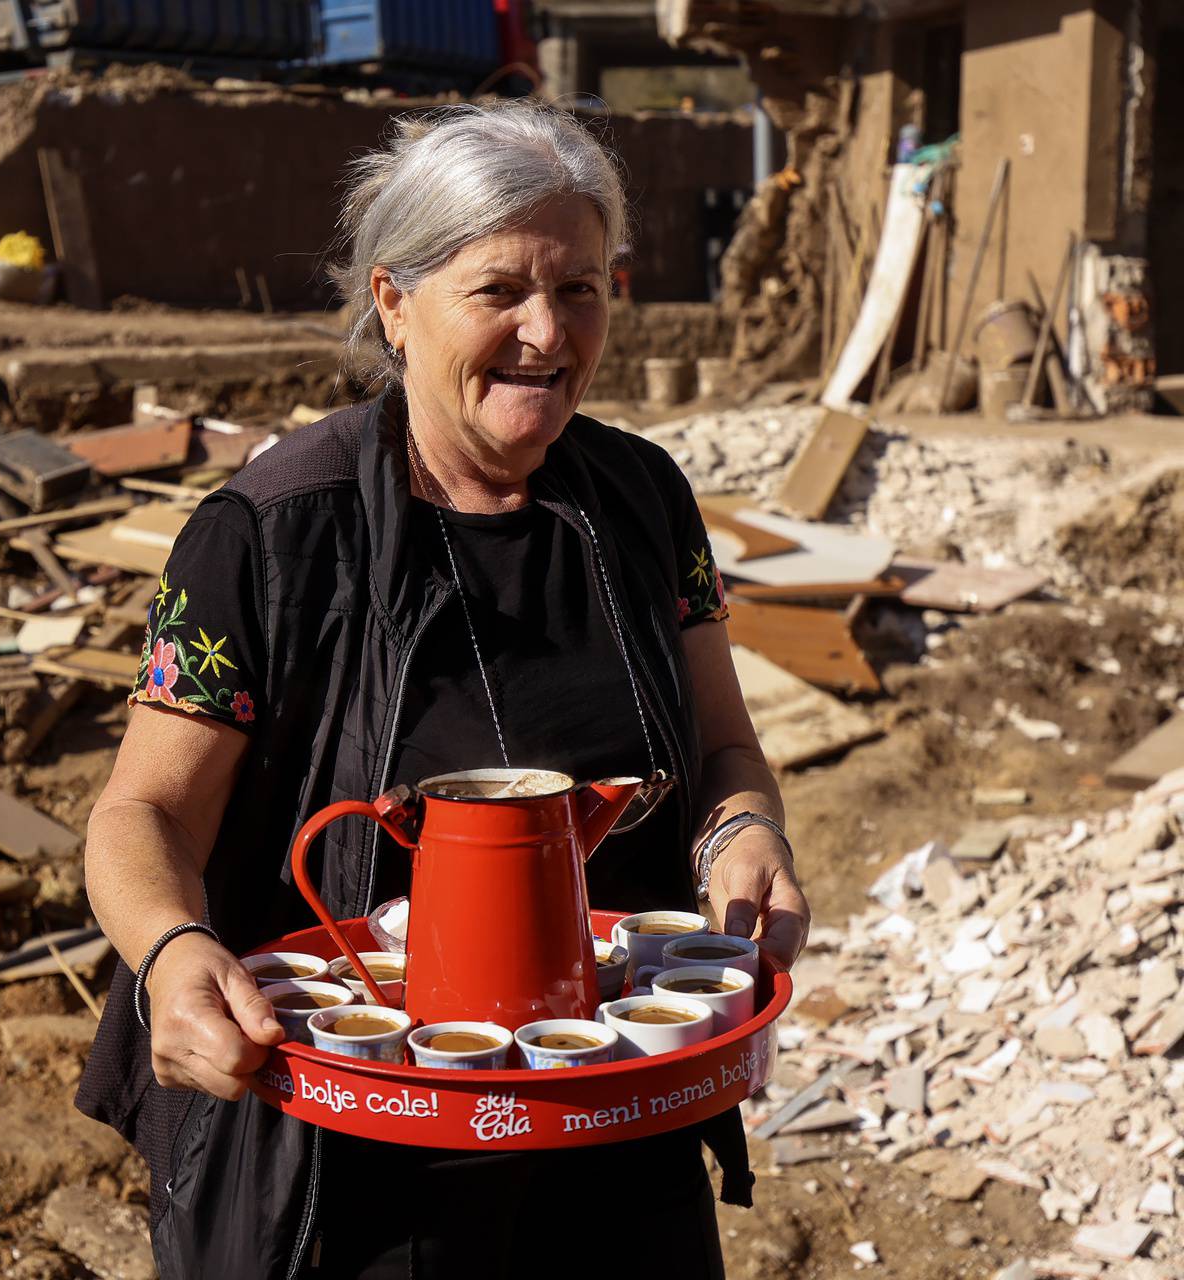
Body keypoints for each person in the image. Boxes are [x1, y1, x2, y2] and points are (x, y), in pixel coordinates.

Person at [76, 101, 811, 1278]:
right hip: (353, 1164)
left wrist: (746, 830)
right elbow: (142, 814)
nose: (547, 330)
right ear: (393, 303)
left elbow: (724, 749)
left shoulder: (642, 503)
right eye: (500, 291)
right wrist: (170, 952)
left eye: (581, 288)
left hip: (618, 1126)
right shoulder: (269, 535)